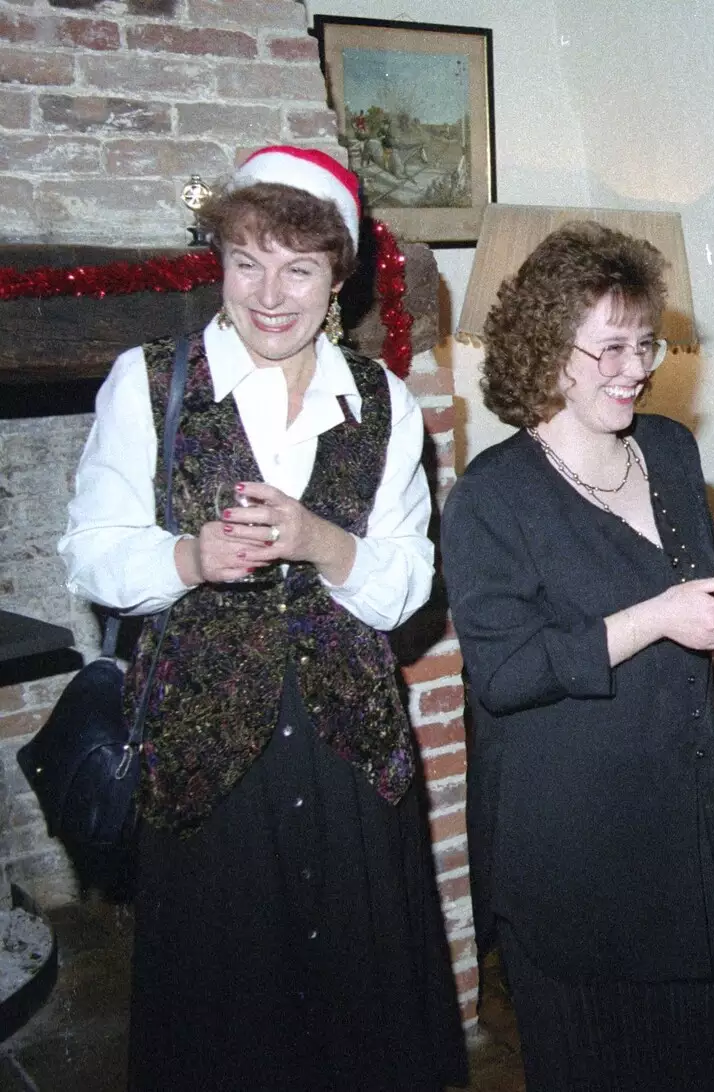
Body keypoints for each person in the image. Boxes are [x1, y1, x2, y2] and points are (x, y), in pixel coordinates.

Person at [58, 146, 467, 1092]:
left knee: (357, 1012)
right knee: (225, 1017)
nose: (270, 294)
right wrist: (188, 558)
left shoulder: (384, 403)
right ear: (222, 262)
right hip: (204, 747)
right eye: (248, 263)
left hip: (347, 749)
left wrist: (324, 541)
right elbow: (90, 549)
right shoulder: (150, 383)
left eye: (299, 268)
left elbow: (407, 583)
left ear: (337, 278)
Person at [440, 221, 714, 1091]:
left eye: (646, 342)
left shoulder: (669, 451)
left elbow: (692, 598)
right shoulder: (492, 498)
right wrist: (658, 616)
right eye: (612, 348)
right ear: (552, 353)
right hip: (580, 860)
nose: (638, 367)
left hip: (693, 831)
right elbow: (505, 674)